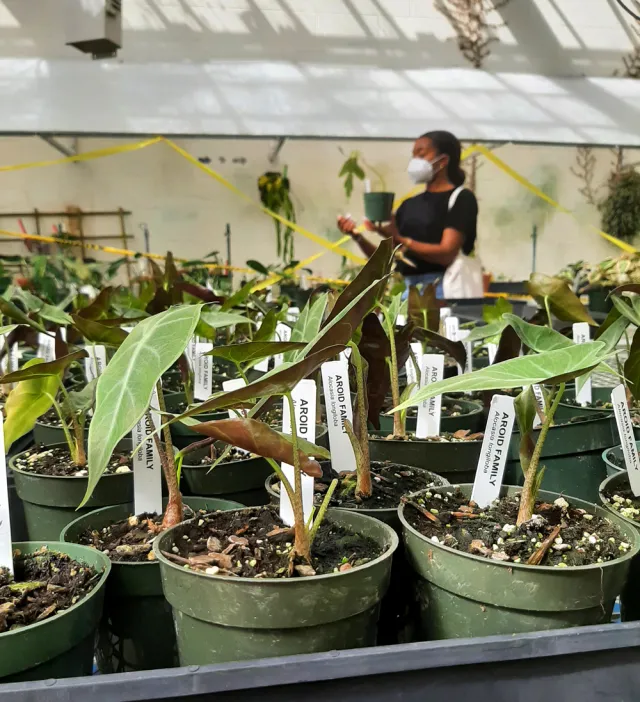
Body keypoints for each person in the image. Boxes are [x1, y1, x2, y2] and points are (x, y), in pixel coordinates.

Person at [337, 130, 478, 298]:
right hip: (408, 291)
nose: (415, 161)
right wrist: (357, 236)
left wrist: (401, 238)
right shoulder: (409, 205)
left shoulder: (461, 199)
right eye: (413, 155)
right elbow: (388, 259)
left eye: (421, 154)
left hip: (444, 289)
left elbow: (446, 253)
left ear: (443, 161)